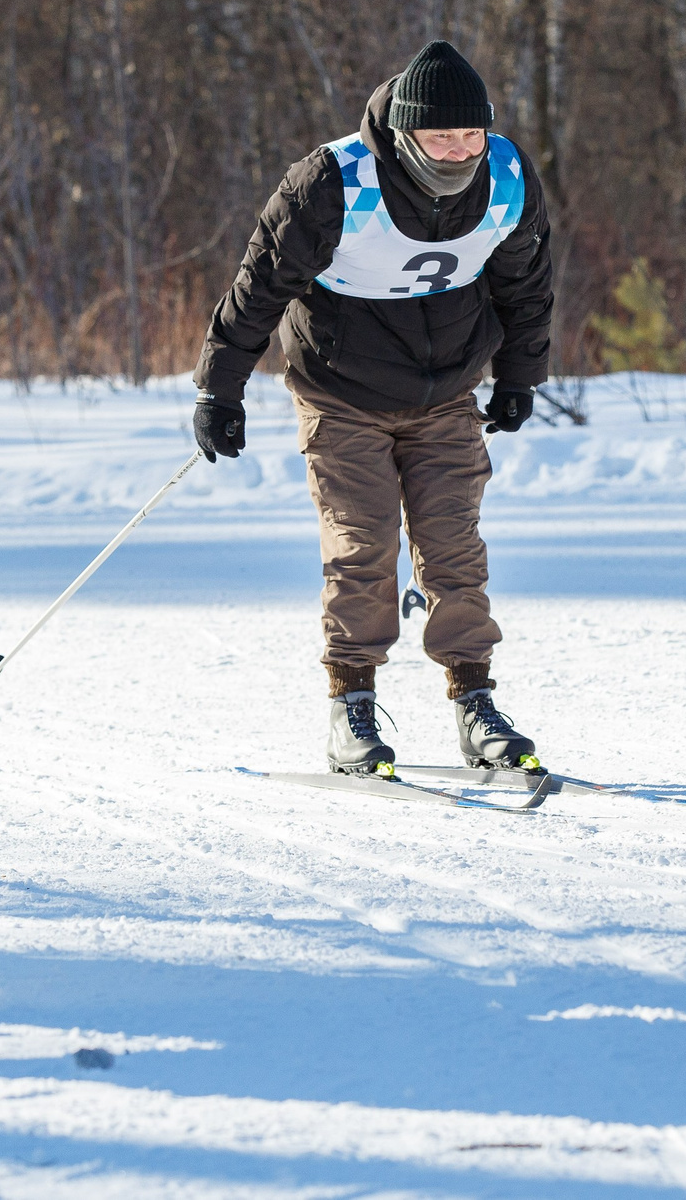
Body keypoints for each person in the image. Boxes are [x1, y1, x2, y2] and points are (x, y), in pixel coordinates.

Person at [193, 41, 554, 776]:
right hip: (341, 390)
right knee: (362, 548)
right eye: (441, 135)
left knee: (455, 548)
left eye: (471, 134)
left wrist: (519, 374)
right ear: (404, 134)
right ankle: (351, 704)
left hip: (447, 390)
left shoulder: (508, 178)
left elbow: (528, 282)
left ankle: (475, 700)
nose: (459, 151)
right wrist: (219, 387)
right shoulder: (332, 183)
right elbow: (258, 284)